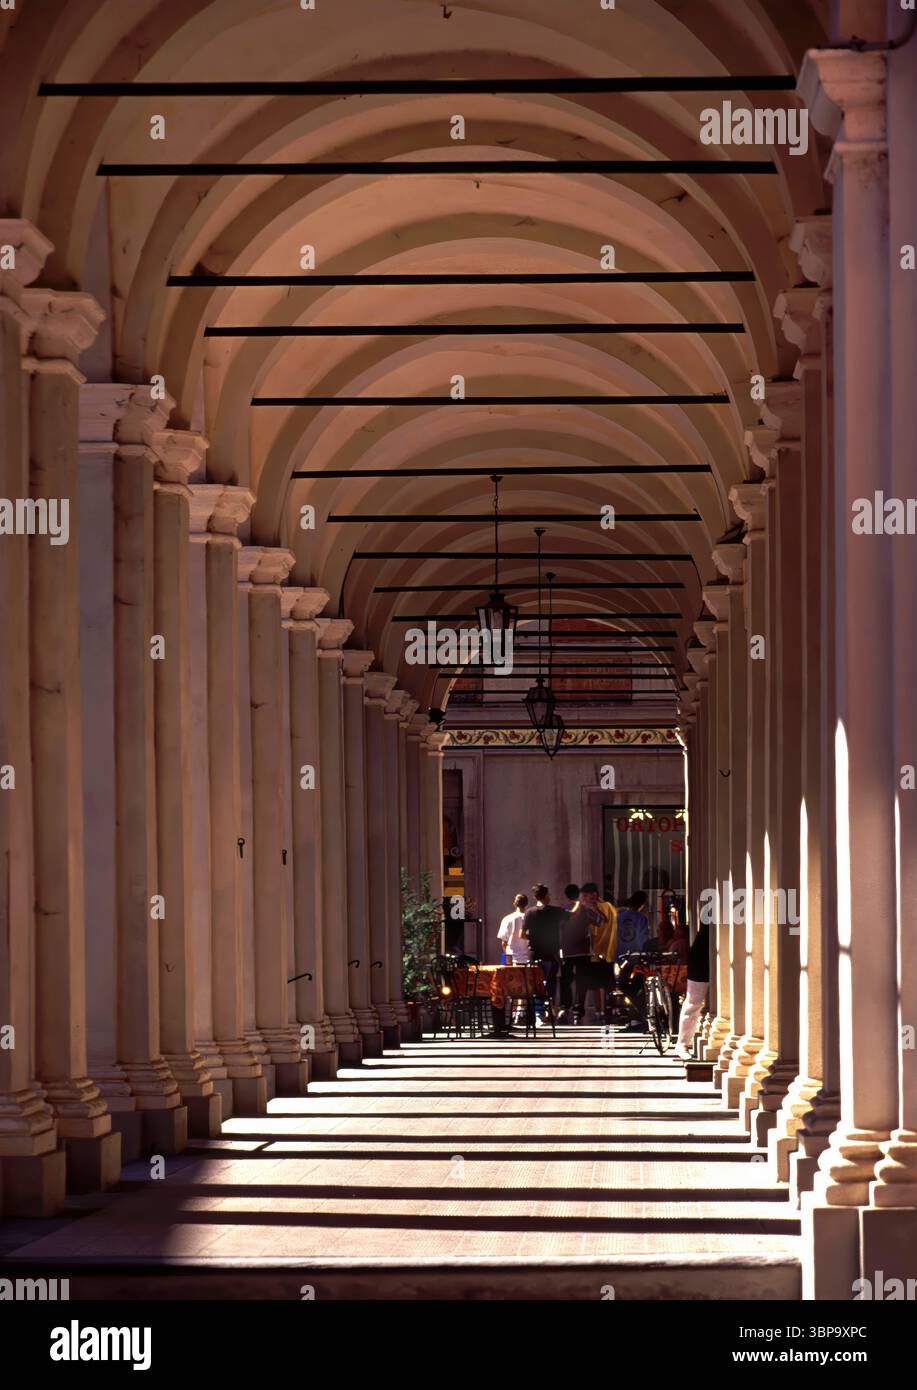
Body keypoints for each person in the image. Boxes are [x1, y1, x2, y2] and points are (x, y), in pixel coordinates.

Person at [521, 884, 566, 1026]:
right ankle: (549, 1010)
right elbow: (573, 914)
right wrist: (577, 904)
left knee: (536, 985)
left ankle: (539, 1014)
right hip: (550, 954)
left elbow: (522, 934)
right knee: (550, 983)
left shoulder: (529, 912)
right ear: (546, 896)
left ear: (535, 897)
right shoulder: (555, 911)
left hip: (534, 954)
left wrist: (534, 938)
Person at [560, 888, 601, 1024]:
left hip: (566, 951)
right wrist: (595, 907)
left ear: (566, 895)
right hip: (583, 950)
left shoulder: (561, 910)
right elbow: (599, 921)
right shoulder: (585, 910)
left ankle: (565, 1008)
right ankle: (578, 1012)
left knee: (566, 981)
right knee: (581, 982)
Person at [581, 881, 616, 1022]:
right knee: (607, 984)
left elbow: (596, 928)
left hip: (596, 952)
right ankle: (608, 1010)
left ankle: (600, 1012)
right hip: (608, 951)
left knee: (597, 985)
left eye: (585, 895)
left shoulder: (595, 909)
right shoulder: (611, 907)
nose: (583, 899)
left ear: (594, 894)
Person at [674, 921, 710, 1060]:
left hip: (711, 958)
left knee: (694, 1004)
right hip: (701, 960)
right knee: (693, 1003)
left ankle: (683, 1044)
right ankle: (682, 1044)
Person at [497, 893, 530, 964]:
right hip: (528, 959)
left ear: (514, 904)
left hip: (512, 958)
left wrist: (508, 957)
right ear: (527, 904)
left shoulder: (507, 919)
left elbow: (504, 943)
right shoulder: (530, 919)